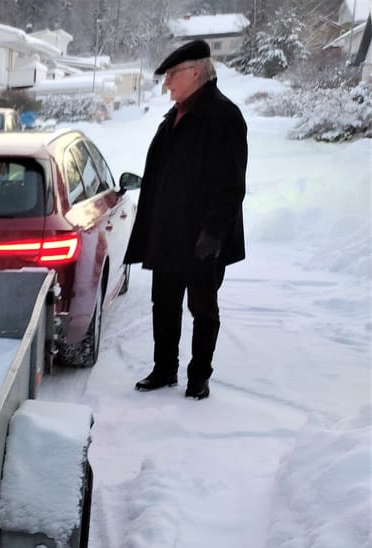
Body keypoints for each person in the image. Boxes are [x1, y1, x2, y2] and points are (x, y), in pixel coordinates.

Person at [124, 39, 248, 400]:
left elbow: (230, 185)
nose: (166, 84)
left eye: (172, 75)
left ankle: (199, 377)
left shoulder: (223, 117)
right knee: (163, 304)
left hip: (201, 238)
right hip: (168, 235)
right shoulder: (174, 117)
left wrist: (213, 233)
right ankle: (164, 369)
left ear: (196, 72)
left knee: (202, 309)